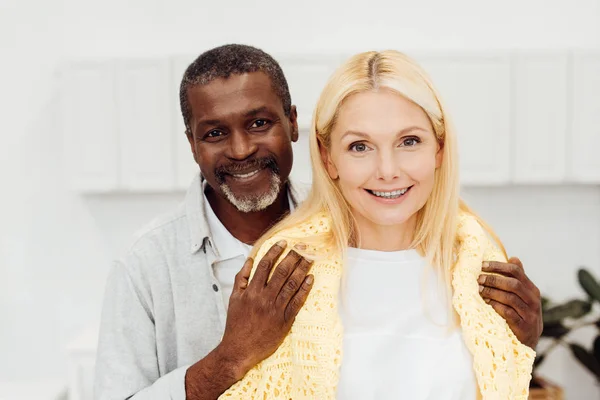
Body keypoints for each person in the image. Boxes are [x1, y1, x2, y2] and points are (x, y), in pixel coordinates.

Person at [94, 44, 542, 400]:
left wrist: (520, 346)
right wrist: (232, 357)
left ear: (293, 125)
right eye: (360, 147)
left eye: (258, 123)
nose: (241, 149)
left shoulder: (474, 259)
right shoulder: (148, 265)